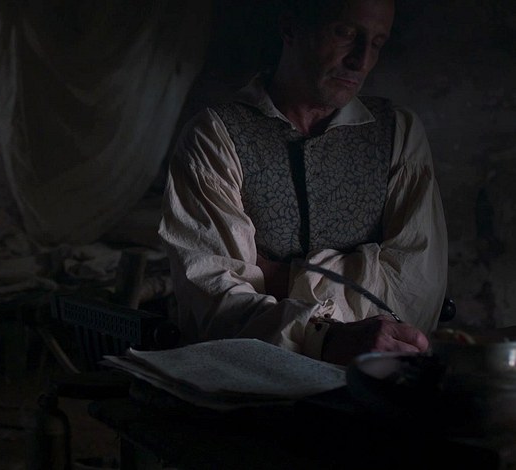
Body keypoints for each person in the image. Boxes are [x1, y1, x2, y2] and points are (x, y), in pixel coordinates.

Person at [158, 0, 448, 365]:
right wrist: (323, 338)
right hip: (252, 380)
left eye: (376, 43)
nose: (360, 61)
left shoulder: (399, 134)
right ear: (290, 27)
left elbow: (416, 295)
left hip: (378, 379)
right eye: (345, 33)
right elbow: (215, 303)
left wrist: (281, 277)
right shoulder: (215, 137)